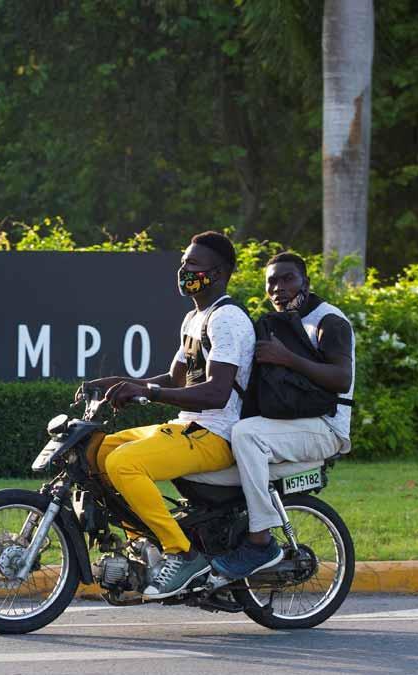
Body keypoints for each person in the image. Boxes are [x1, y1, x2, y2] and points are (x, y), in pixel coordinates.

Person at [83, 231, 255, 599]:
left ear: (220, 272)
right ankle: (142, 542)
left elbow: (216, 391)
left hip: (216, 434)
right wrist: (123, 382)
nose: (183, 269)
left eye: (193, 265)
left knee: (125, 463)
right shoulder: (194, 318)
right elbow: (175, 379)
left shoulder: (226, 319)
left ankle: (183, 553)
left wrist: (148, 393)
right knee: (99, 450)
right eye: (183, 262)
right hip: (188, 428)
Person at [210, 251, 355, 580]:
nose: (278, 287)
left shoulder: (328, 321)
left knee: (247, 435)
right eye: (271, 282)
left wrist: (287, 358)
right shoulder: (279, 324)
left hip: (326, 427)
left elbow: (341, 378)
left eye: (287, 278)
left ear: (307, 282)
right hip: (291, 423)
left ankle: (260, 541)